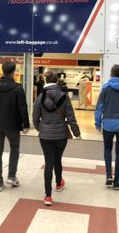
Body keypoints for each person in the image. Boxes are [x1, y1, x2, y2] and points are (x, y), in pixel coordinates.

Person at [33, 70, 81, 206]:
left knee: (49, 163)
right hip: (61, 135)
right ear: (57, 81)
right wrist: (76, 133)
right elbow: (71, 117)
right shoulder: (64, 96)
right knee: (57, 159)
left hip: (45, 135)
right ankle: (59, 184)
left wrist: (39, 128)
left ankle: (48, 196)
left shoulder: (41, 97)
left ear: (46, 81)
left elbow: (35, 116)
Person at [0, 61, 30, 192]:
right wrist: (25, 125)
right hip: (12, 125)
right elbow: (23, 108)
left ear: (2, 71)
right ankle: (11, 176)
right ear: (14, 72)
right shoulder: (17, 88)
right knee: (14, 148)